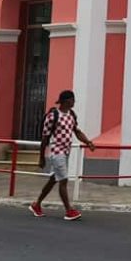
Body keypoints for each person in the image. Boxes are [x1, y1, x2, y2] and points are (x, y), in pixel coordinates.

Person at [30, 90, 95, 221]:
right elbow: (45, 138)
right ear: (66, 101)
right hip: (56, 152)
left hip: (66, 152)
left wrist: (88, 142)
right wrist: (41, 157)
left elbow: (77, 131)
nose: (74, 102)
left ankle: (36, 204)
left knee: (54, 179)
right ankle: (69, 210)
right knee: (63, 180)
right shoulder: (53, 116)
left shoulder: (71, 115)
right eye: (72, 100)